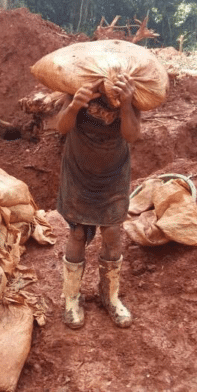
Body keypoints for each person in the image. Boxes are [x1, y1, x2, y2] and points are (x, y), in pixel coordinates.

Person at [54, 73, 141, 329]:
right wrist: (74, 105)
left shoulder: (130, 93)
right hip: (78, 173)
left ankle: (109, 295)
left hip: (113, 176)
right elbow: (61, 127)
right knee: (78, 233)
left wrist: (126, 105)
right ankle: (71, 298)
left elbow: (132, 135)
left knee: (113, 232)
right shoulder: (78, 85)